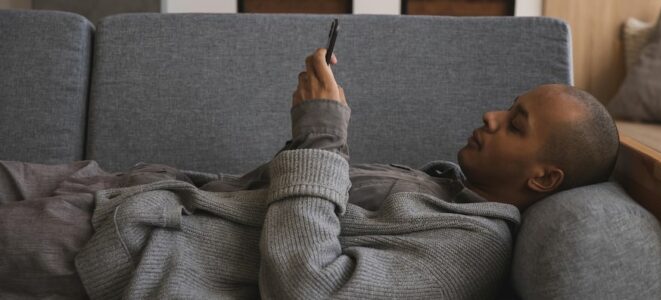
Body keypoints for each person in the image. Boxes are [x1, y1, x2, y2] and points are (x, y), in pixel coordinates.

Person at [0, 48, 619, 299]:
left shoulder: (469, 251)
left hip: (124, 240)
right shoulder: (445, 186)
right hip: (123, 188)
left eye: (515, 123)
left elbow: (308, 286)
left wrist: (321, 134)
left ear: (544, 178)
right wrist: (308, 137)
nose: (490, 116)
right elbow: (289, 199)